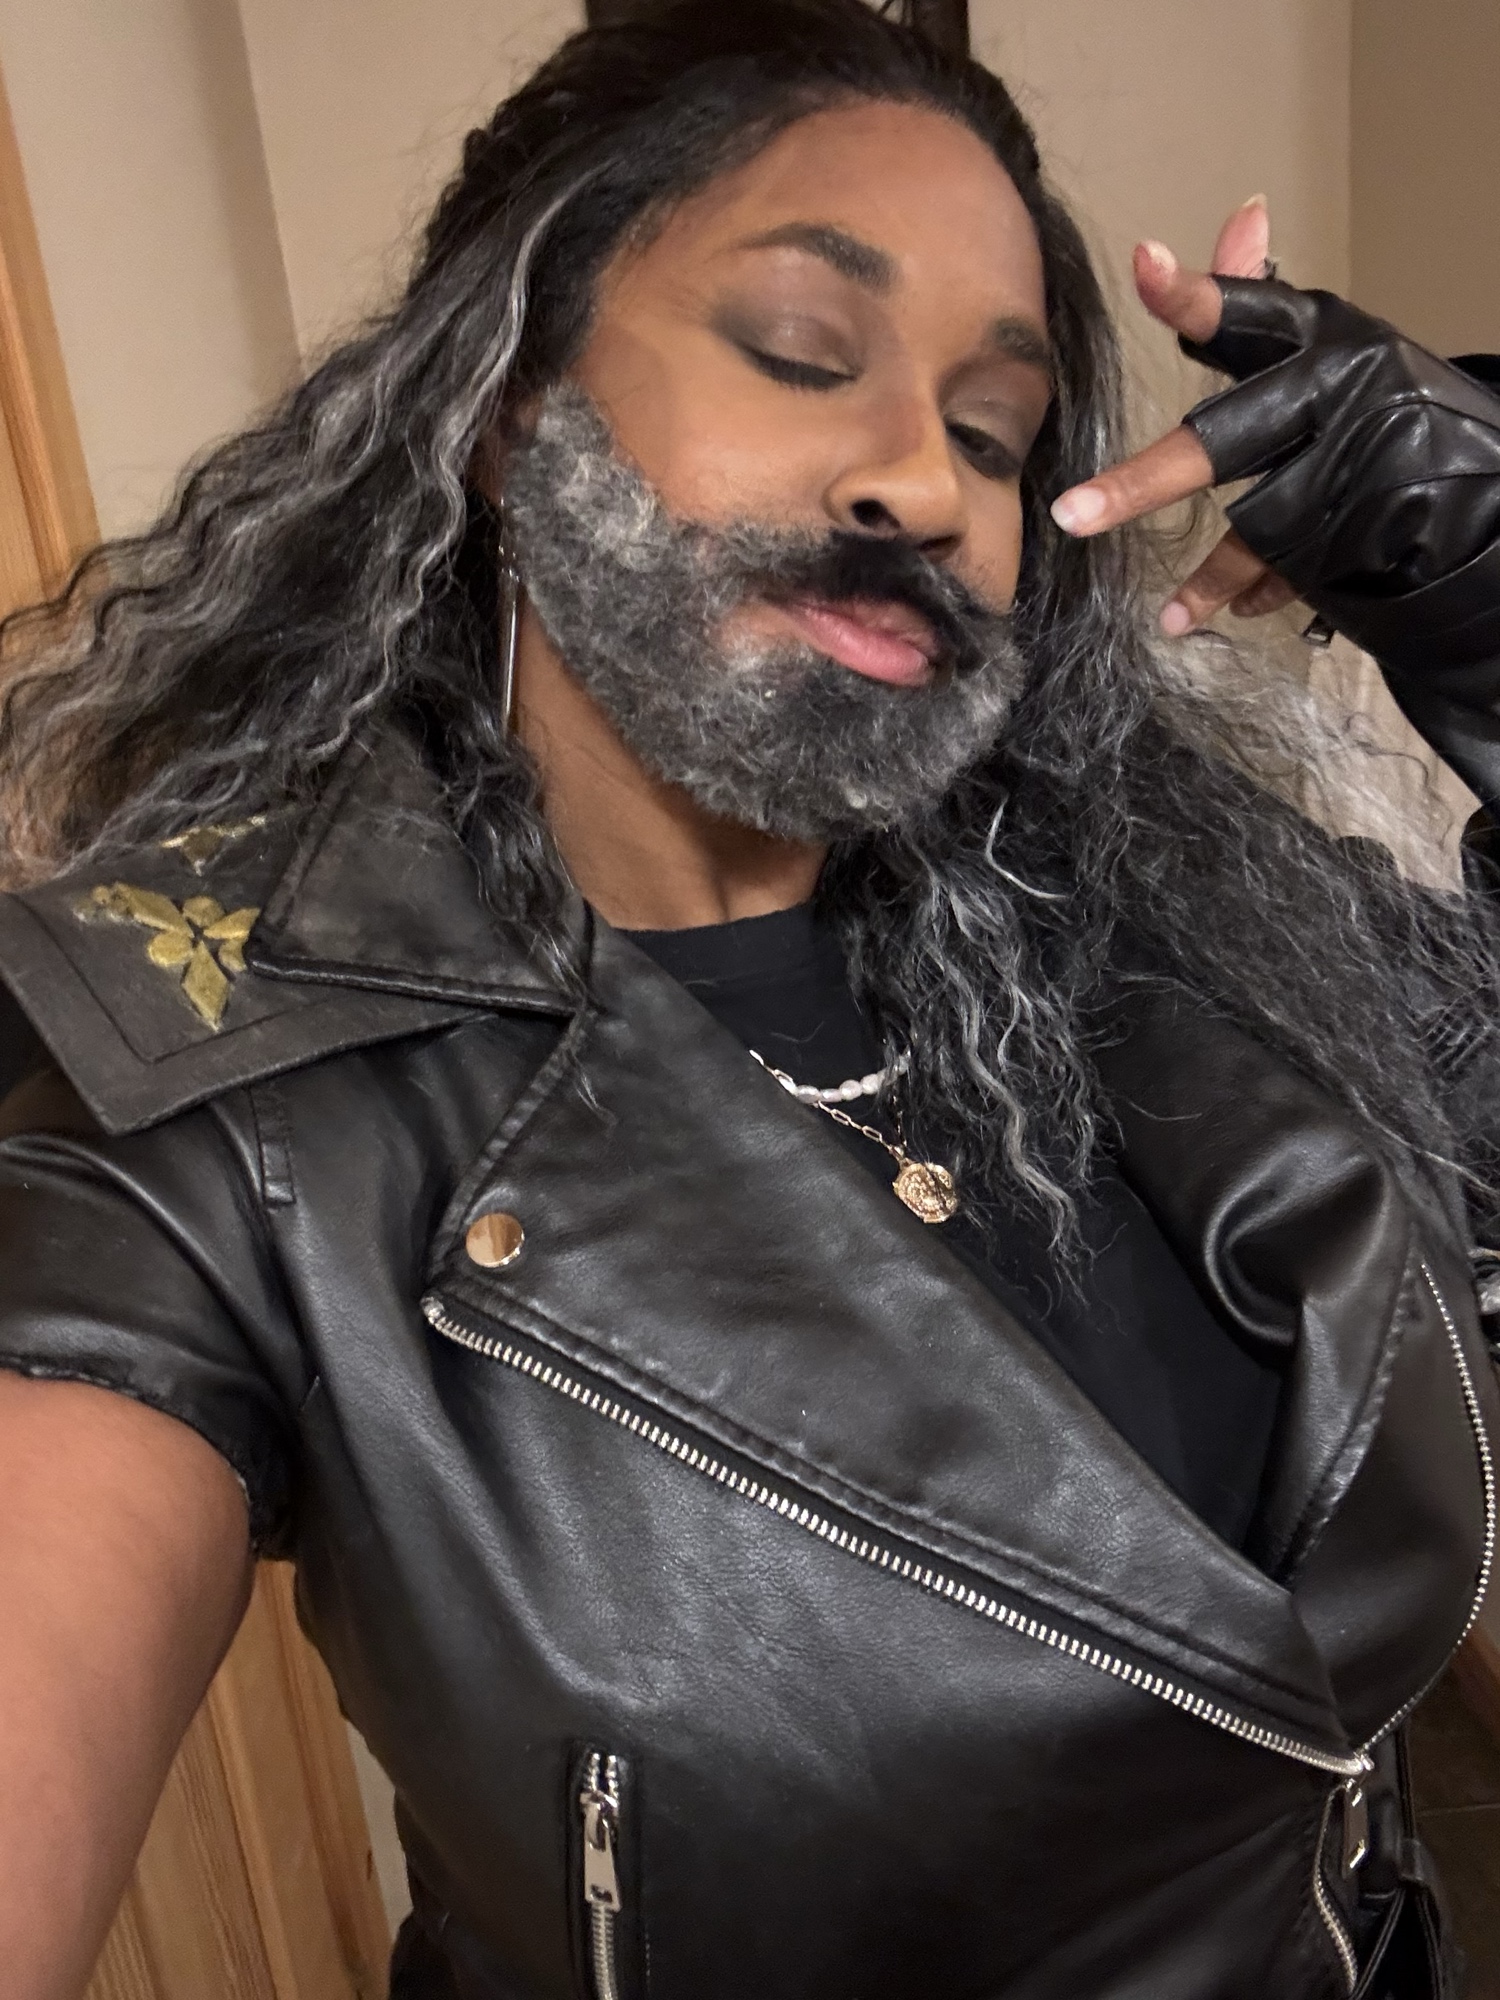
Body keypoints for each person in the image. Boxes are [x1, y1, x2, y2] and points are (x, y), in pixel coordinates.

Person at [1, 2, 1499, 1994]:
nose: (924, 481)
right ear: (506, 403)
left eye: (997, 432)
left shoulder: (1166, 915)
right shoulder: (234, 1101)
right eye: (802, 349)